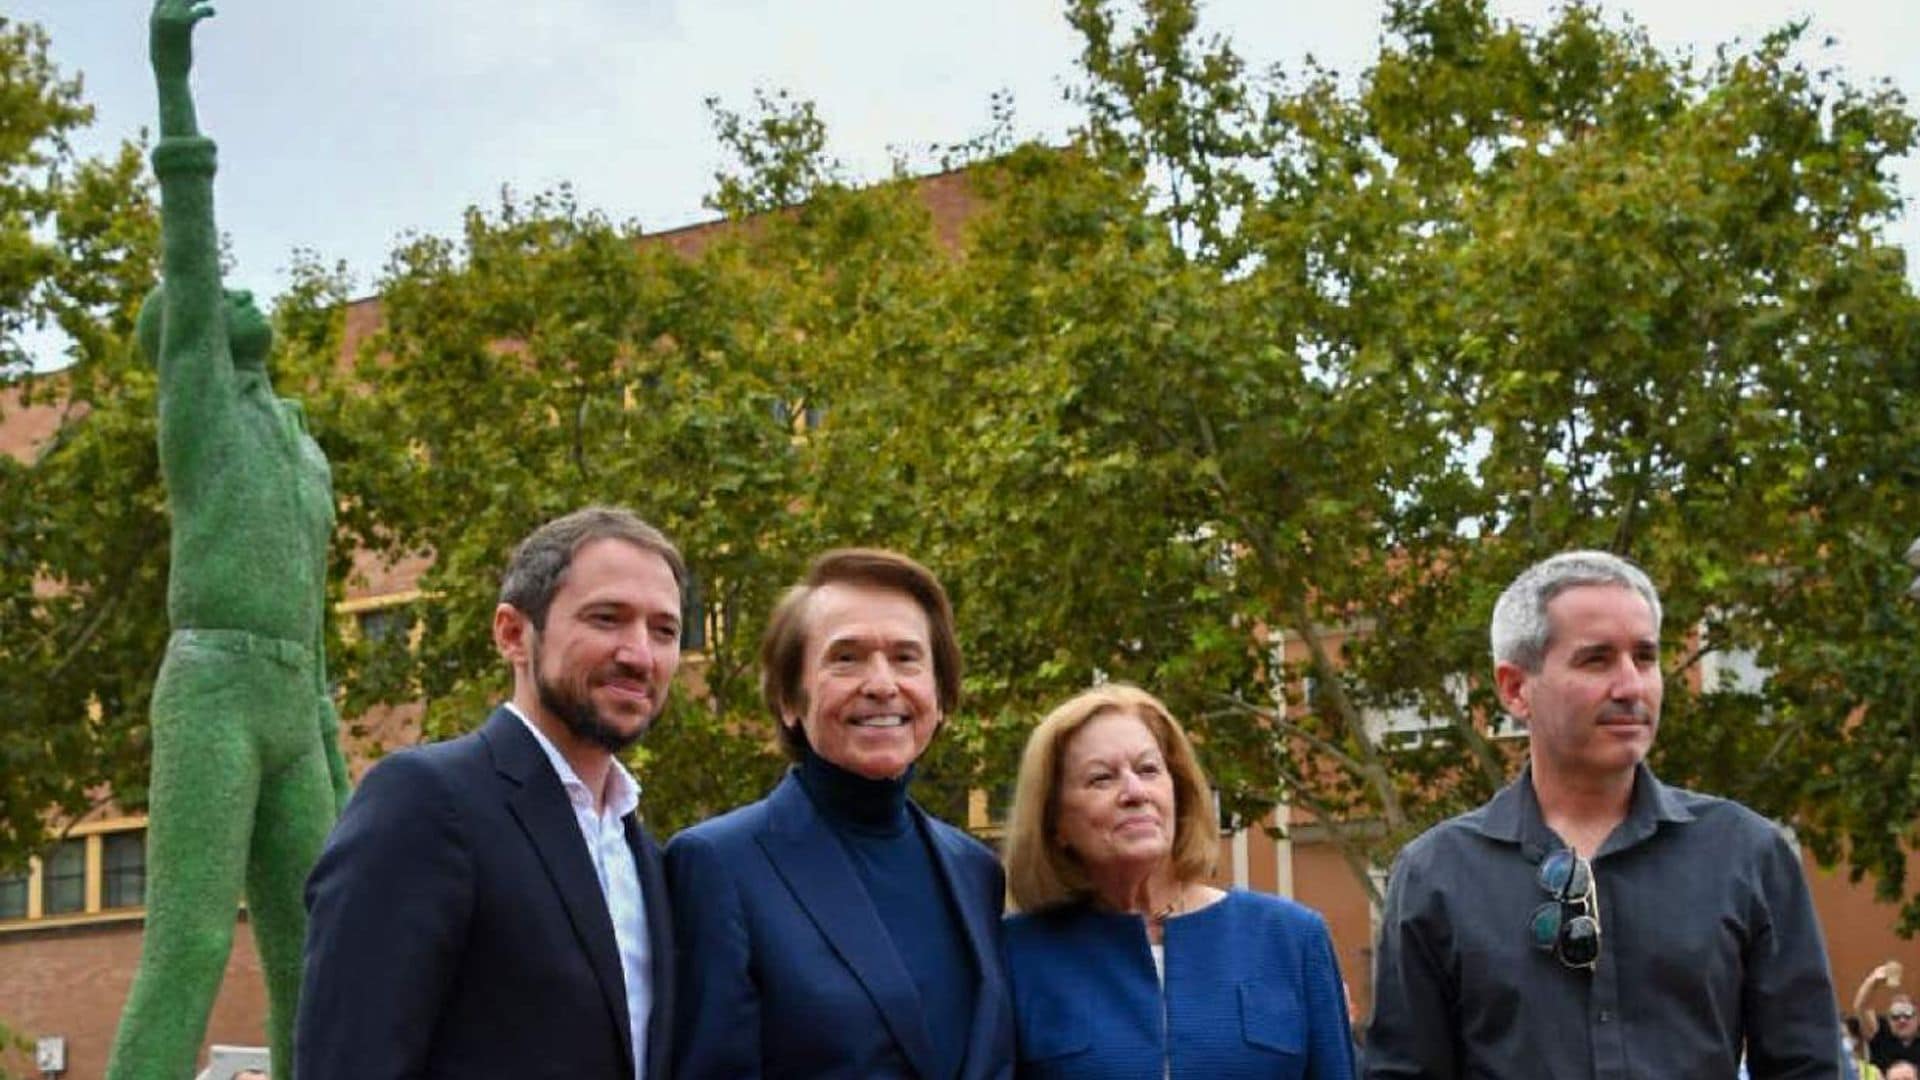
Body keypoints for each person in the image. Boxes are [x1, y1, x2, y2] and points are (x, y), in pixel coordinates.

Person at [106, 3, 350, 1078]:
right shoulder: (198, 405)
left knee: (321, 941)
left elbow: (313, 610)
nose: (238, 291)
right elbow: (192, 247)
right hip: (211, 683)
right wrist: (173, 78)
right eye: (211, 298)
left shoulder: (300, 449)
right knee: (194, 937)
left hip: (295, 698)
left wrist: (331, 735)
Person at [1367, 551, 1840, 1078]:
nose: (1631, 686)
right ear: (1515, 688)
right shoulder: (1438, 875)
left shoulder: (1747, 854)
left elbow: (1808, 1066)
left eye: (1644, 657)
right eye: (1596, 659)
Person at [297, 507, 684, 1078]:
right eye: (607, 619)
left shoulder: (648, 856)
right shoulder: (422, 803)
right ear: (512, 635)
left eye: (664, 630)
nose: (639, 654)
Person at [666, 548, 1015, 1078]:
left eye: (906, 657)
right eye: (846, 657)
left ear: (940, 696)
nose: (881, 684)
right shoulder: (720, 865)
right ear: (789, 699)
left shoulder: (976, 871)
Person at [1001, 683, 1355, 1079]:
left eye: (1148, 769)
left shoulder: (1291, 939)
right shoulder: (1017, 956)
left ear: (1178, 792)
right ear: (1056, 824)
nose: (1135, 792)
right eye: (1102, 779)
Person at [1855, 964, 1920, 1072]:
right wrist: (1873, 981)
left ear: (1917, 1018)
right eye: (1895, 1015)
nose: (1902, 1020)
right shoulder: (1880, 1034)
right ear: (1888, 1019)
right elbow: (1862, 1007)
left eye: (1908, 1014)